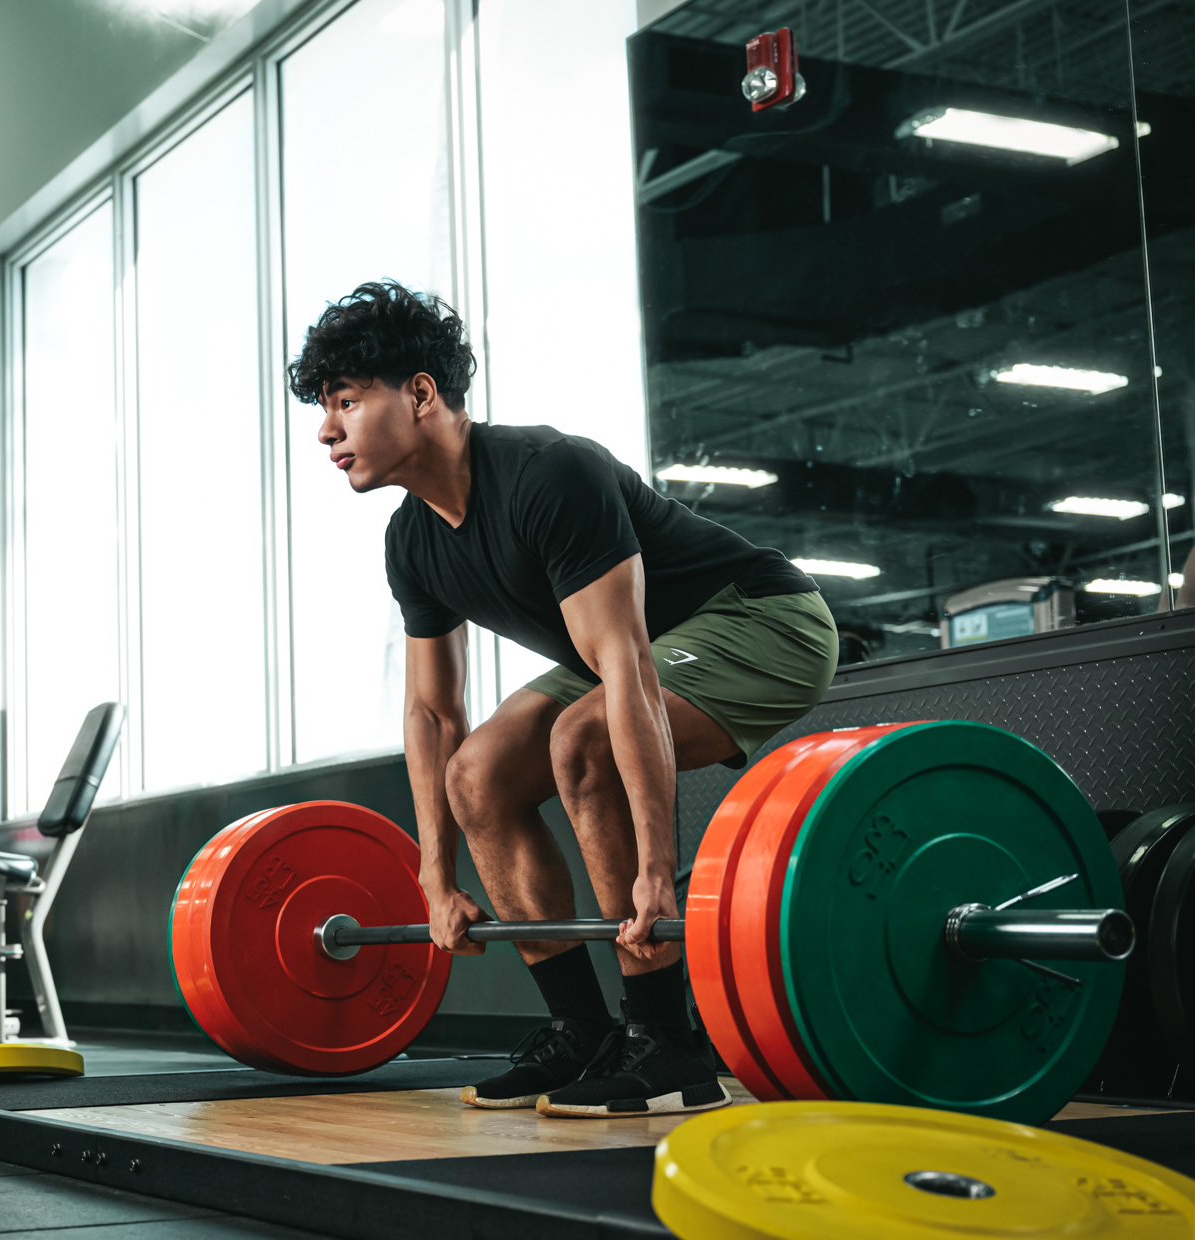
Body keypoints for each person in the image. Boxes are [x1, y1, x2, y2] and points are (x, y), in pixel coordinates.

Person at [289, 281, 838, 1119]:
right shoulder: (412, 543)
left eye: (347, 402)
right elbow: (434, 716)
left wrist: (658, 871)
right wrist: (435, 881)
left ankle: (666, 1040)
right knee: (476, 774)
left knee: (581, 738)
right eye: (326, 409)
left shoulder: (552, 474)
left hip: (762, 619)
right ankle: (579, 1028)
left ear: (422, 394)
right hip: (635, 653)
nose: (327, 430)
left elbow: (624, 669)